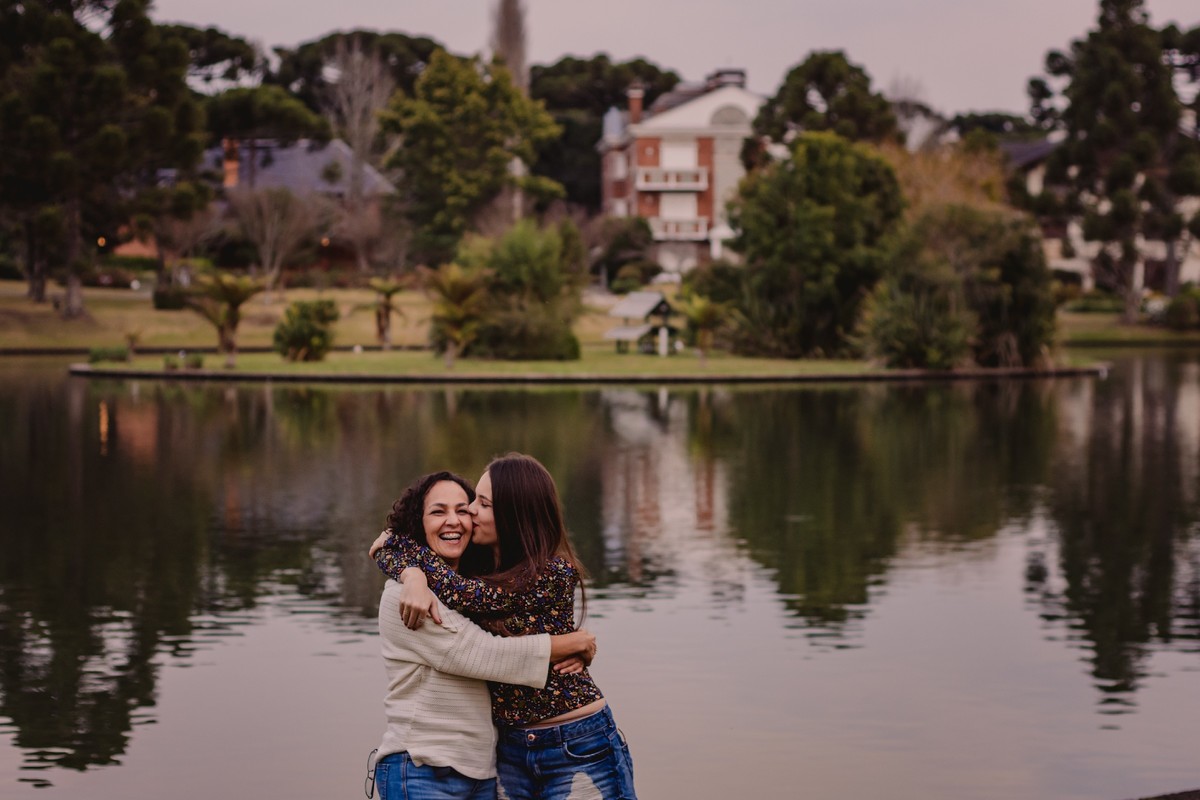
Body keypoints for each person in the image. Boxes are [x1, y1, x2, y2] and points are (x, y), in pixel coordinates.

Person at [371, 454, 638, 800]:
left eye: (480, 504)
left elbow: (466, 596)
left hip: (574, 740)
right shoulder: (440, 585)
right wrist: (411, 573)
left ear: (514, 514)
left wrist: (410, 567)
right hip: (507, 752)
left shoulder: (548, 573)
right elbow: (481, 650)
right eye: (470, 503)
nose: (467, 514)